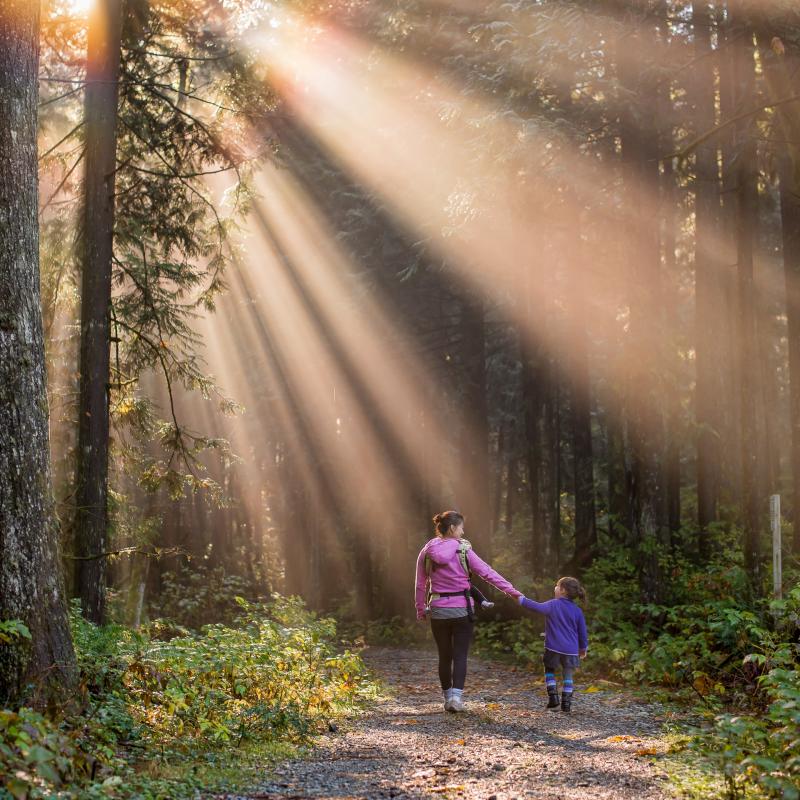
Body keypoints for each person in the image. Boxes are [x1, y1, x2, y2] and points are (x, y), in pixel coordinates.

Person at [415, 510, 521, 712]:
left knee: (444, 655)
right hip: (462, 610)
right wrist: (513, 592)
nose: (463, 532)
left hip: (438, 610)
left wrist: (421, 609)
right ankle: (456, 699)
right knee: (460, 655)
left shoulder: (427, 551)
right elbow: (488, 573)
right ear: (453, 528)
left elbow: (420, 584)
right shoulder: (463, 550)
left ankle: (447, 699)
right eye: (461, 527)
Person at [517, 576, 588, 713]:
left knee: (549, 670)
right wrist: (583, 649)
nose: (554, 588)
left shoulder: (553, 604)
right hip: (571, 650)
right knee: (568, 674)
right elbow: (582, 633)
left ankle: (553, 697)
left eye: (557, 585)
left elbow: (536, 607)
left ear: (562, 590)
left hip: (553, 648)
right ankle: (566, 703)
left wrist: (521, 599)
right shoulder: (578, 611)